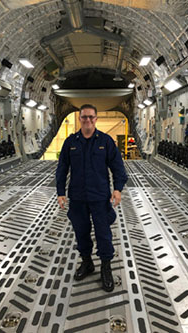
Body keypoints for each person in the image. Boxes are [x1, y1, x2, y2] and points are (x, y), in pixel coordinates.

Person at [55, 104, 127, 293]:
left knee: (103, 234)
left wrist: (118, 189)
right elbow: (62, 168)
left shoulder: (105, 141)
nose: (87, 120)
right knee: (81, 232)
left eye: (91, 117)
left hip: (99, 197)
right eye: (84, 117)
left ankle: (106, 267)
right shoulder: (71, 142)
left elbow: (118, 167)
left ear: (96, 119)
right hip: (78, 197)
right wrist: (60, 192)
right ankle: (87, 263)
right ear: (80, 119)